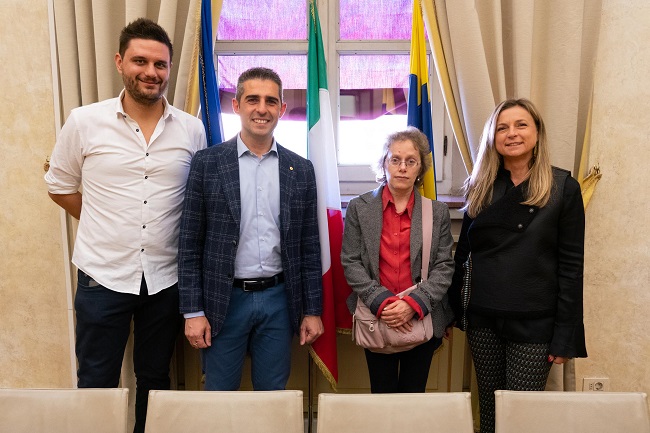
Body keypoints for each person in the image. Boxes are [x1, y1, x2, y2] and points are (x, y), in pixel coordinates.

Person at [44, 18, 207, 433]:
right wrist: (104, 220)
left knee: (155, 379)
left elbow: (197, 200)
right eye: (140, 61)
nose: (150, 72)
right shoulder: (84, 121)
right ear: (120, 62)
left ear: (169, 69)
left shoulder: (192, 129)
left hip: (166, 279)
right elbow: (59, 186)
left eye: (160, 64)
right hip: (102, 275)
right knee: (96, 380)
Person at [178, 67, 324, 391]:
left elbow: (309, 247)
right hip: (223, 300)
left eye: (271, 101)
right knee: (220, 396)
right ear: (237, 105)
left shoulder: (301, 169)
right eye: (253, 99)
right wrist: (192, 311)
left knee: (273, 396)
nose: (262, 109)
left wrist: (313, 310)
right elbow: (189, 244)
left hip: (278, 300)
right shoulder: (207, 164)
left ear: (282, 109)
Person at [449, 99, 587, 433]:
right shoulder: (480, 186)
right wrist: (451, 311)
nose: (512, 133)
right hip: (484, 318)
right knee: (490, 411)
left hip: (535, 322)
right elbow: (463, 255)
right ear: (492, 138)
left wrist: (565, 336)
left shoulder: (563, 187)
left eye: (521, 125)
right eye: (502, 127)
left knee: (521, 417)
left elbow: (571, 267)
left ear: (537, 132)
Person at [340, 127, 455, 393]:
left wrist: (413, 305)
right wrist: (383, 304)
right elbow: (351, 262)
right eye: (395, 159)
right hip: (377, 316)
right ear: (384, 163)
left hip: (421, 317)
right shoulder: (360, 208)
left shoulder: (436, 212)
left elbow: (444, 266)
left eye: (411, 161)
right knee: (382, 397)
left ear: (420, 168)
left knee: (413, 397)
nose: (402, 167)